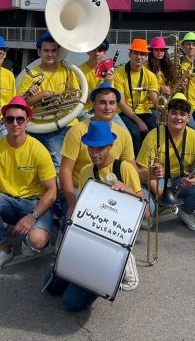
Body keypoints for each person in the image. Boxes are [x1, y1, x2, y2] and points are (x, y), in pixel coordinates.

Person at [45, 120, 143, 312]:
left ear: (111, 146)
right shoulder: (86, 171)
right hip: (91, 236)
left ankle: (117, 268)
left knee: (71, 304)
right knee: (51, 286)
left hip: (115, 237)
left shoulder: (124, 168)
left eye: (100, 148)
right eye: (91, 148)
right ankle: (90, 272)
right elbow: (84, 205)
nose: (95, 154)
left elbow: (144, 210)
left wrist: (129, 190)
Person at [0, 97, 56, 275]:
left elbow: (52, 190)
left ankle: (34, 235)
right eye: (10, 119)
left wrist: (32, 216)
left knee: (37, 241)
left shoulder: (38, 149)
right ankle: (3, 250)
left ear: (27, 121)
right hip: (8, 202)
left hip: (34, 204)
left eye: (20, 119)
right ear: (4, 121)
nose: (15, 123)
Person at [135, 94, 195, 232]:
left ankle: (185, 211)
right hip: (156, 180)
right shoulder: (154, 135)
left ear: (188, 118)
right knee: (146, 209)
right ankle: (157, 208)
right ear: (167, 115)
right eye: (174, 113)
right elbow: (141, 171)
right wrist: (162, 194)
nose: (178, 118)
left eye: (183, 114)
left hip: (180, 181)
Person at [59, 83, 136, 220]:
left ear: (117, 106)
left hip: (110, 189)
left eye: (112, 103)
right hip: (79, 189)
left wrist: (151, 174)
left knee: (148, 208)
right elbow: (65, 170)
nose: (108, 108)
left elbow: (132, 170)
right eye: (102, 103)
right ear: (93, 104)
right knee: (76, 222)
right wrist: (72, 203)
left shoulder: (124, 134)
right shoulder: (76, 131)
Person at [18, 32, 81, 171]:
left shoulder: (67, 70)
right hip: (45, 124)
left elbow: (76, 95)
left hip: (68, 122)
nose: (50, 54)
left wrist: (59, 101)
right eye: (46, 51)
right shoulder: (31, 75)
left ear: (58, 52)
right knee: (58, 163)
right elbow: (21, 103)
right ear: (39, 52)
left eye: (53, 51)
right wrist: (41, 95)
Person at [112, 38, 158, 155]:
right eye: (136, 53)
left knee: (157, 130)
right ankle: (135, 164)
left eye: (142, 54)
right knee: (134, 132)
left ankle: (151, 161)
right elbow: (121, 103)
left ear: (146, 56)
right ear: (130, 54)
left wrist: (166, 98)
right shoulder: (119, 73)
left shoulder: (151, 75)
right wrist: (138, 121)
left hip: (144, 111)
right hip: (124, 112)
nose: (139, 57)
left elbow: (156, 101)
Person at [78, 40, 120, 124]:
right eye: (94, 50)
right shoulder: (79, 71)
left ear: (104, 53)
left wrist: (108, 83)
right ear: (88, 51)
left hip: (107, 109)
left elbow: (112, 97)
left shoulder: (109, 70)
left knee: (123, 131)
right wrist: (99, 92)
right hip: (86, 110)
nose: (97, 54)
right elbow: (78, 96)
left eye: (100, 51)